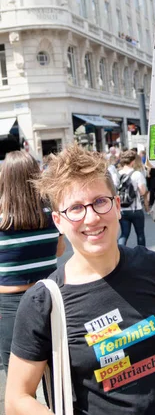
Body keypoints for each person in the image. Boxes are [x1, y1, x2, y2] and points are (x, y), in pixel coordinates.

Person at [5, 144, 155, 415]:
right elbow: (17, 398)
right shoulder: (44, 302)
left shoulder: (151, 267)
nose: (91, 217)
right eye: (75, 208)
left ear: (117, 205)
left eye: (100, 201)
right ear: (58, 221)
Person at [0, 151, 65, 374]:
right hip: (47, 296)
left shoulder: (2, 217)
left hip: (9, 304)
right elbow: (60, 250)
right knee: (56, 371)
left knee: (17, 376)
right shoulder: (50, 212)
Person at [117, 150, 148, 247]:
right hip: (136, 208)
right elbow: (143, 192)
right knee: (140, 234)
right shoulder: (137, 174)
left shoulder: (117, 174)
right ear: (132, 161)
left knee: (124, 234)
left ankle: (120, 253)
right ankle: (142, 255)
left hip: (122, 209)